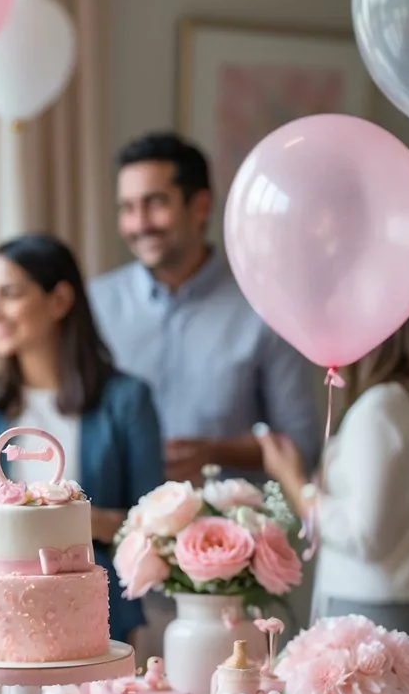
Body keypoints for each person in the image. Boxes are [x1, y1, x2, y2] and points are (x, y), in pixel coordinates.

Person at [257, 302, 409, 694]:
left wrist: (293, 481)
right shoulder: (406, 403)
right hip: (392, 604)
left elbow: (365, 534)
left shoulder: (383, 409)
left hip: (373, 613)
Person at [0, 232, 163, 645]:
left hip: (100, 617)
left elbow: (152, 525)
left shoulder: (126, 400)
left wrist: (71, 520)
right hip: (2, 620)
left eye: (9, 294)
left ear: (59, 300)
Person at [89, 131, 321, 484]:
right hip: (112, 516)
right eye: (128, 208)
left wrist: (215, 453)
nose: (140, 224)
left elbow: (302, 444)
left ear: (200, 206)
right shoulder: (95, 303)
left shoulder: (263, 306)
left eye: (155, 203)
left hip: (230, 515)